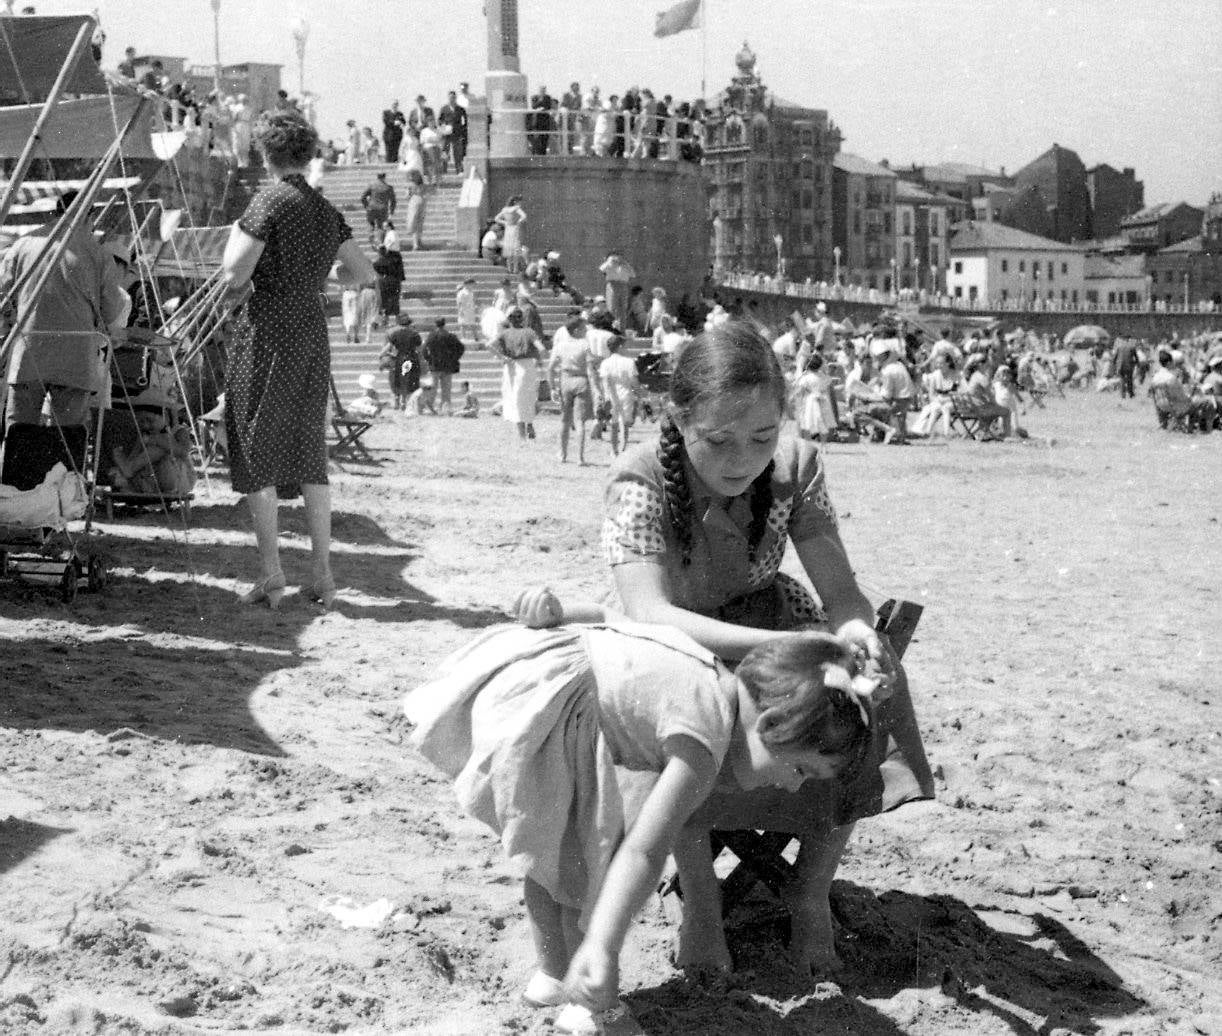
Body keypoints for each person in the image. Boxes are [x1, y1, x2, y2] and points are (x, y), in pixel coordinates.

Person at [601, 321, 932, 976]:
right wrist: (789, 645)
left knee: (857, 702)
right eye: (718, 441)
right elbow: (651, 613)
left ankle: (808, 893)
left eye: (761, 438)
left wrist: (856, 632)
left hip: (765, 620)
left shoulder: (797, 467)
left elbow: (840, 591)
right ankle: (699, 900)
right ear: (679, 416)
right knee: (687, 722)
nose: (740, 460)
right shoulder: (640, 478)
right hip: (671, 639)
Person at [404, 587, 886, 1028]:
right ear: (773, 725)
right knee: (595, 863)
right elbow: (645, 851)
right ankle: (592, 1002)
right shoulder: (704, 740)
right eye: (801, 769)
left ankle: (553, 976)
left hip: (546, 694)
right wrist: (604, 945)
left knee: (556, 853)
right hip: (558, 713)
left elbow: (610, 616)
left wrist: (560, 610)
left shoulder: (709, 673)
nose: (794, 787)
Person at [219, 109, 377, 610]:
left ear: (265, 154)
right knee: (311, 451)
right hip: (310, 329)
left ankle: (272, 575)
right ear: (307, 155)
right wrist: (319, 279)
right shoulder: (325, 209)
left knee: (257, 441)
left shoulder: (268, 200)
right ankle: (324, 577)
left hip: (268, 329)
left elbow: (233, 276)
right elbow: (363, 273)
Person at [0, 192, 129, 466]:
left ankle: (15, 495)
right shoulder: (97, 252)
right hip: (74, 355)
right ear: (89, 215)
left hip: (29, 350)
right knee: (67, 437)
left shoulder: (25, 243)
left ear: (55, 212)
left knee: (19, 429)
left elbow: (2, 293)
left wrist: (14, 320)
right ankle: (62, 499)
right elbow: (112, 310)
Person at [548, 309, 602, 465]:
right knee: (580, 421)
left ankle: (562, 454)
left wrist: (552, 387)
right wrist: (596, 388)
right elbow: (591, 370)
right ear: (577, 330)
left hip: (565, 380)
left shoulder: (560, 345)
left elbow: (551, 367)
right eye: (583, 328)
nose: (586, 331)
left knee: (564, 420)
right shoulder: (584, 345)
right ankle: (580, 457)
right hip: (581, 380)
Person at [107, 402, 196, 497]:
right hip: (153, 482)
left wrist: (155, 440)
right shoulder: (143, 435)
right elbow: (133, 456)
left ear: (165, 417)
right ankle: (130, 471)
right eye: (141, 421)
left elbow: (183, 452)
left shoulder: (179, 432)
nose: (146, 425)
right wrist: (141, 445)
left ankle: (130, 469)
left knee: (164, 444)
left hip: (179, 479)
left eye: (150, 420)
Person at [489, 307, 543, 442]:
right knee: (529, 397)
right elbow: (541, 348)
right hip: (528, 366)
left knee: (516, 399)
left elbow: (488, 345)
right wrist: (539, 360)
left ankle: (522, 435)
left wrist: (502, 357)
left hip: (512, 366)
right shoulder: (529, 332)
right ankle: (530, 424)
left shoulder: (504, 333)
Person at [598, 335, 639, 456]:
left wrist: (605, 396)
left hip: (611, 394)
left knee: (613, 423)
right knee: (624, 422)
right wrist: (638, 392)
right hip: (626, 392)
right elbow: (633, 381)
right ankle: (623, 447)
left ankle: (614, 448)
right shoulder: (629, 362)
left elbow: (604, 382)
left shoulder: (605, 363)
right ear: (620, 347)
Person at [963, 354, 1013, 438]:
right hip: (979, 408)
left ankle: (969, 435)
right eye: (988, 363)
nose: (989, 365)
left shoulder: (974, 375)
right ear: (983, 364)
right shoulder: (981, 377)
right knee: (1006, 411)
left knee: (990, 414)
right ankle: (1007, 436)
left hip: (974, 406)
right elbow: (990, 394)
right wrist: (996, 405)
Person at [423, 318, 465, 416]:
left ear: (435, 325)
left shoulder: (431, 336)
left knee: (433, 387)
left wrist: (429, 359)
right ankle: (446, 407)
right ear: (444, 324)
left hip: (435, 365)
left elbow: (424, 350)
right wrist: (455, 358)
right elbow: (461, 348)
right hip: (447, 365)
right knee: (446, 388)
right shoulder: (450, 336)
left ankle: (430, 406)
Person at [875, 340, 915, 444]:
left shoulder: (888, 370)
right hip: (907, 396)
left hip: (901, 398)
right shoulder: (898, 364)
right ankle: (900, 437)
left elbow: (886, 394)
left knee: (878, 411)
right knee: (899, 416)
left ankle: (883, 435)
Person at [381, 313, 420, 411]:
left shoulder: (394, 333)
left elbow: (388, 346)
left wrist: (381, 355)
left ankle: (397, 401)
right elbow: (419, 347)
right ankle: (404, 401)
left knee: (397, 380)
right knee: (408, 379)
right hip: (411, 359)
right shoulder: (414, 333)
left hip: (398, 358)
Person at [792, 352, 834, 442]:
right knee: (824, 422)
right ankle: (823, 444)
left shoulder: (806, 377)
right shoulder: (824, 377)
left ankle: (807, 442)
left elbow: (800, 390)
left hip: (810, 401)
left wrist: (794, 396)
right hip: (824, 400)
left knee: (808, 422)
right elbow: (829, 388)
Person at [599, 252, 635, 332]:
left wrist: (625, 264)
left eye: (620, 257)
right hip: (612, 285)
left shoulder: (624, 266)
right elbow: (601, 269)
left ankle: (622, 330)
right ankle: (610, 329)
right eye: (616, 257)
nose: (618, 259)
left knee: (623, 309)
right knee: (611, 307)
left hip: (624, 285)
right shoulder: (609, 265)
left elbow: (633, 274)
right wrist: (610, 261)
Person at [360, 171, 396, 246]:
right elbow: (393, 201)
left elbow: (363, 197)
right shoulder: (388, 188)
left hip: (371, 208)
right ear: (384, 177)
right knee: (380, 226)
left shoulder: (372, 186)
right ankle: (380, 242)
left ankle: (371, 234)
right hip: (383, 209)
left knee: (370, 223)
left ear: (377, 177)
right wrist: (391, 212)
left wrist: (366, 206)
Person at [437, 90, 468, 173]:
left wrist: (462, 131)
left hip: (457, 134)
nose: (452, 99)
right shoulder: (444, 109)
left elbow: (465, 121)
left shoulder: (460, 109)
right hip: (446, 135)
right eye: (450, 98)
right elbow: (439, 121)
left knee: (458, 153)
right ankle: (444, 171)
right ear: (448, 98)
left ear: (455, 98)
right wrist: (443, 126)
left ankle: (459, 171)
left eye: (453, 97)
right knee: (445, 152)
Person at [496, 196, 527, 274]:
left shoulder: (505, 209)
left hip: (508, 229)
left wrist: (505, 223)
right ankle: (515, 269)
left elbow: (497, 218)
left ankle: (509, 268)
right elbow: (524, 216)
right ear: (515, 202)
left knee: (509, 249)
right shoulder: (516, 208)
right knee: (516, 248)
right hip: (515, 228)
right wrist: (519, 221)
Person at [402, 170, 426, 251]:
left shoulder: (410, 185)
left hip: (414, 201)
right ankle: (419, 241)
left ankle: (415, 244)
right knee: (420, 223)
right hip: (422, 201)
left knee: (414, 223)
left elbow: (407, 196)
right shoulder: (422, 185)